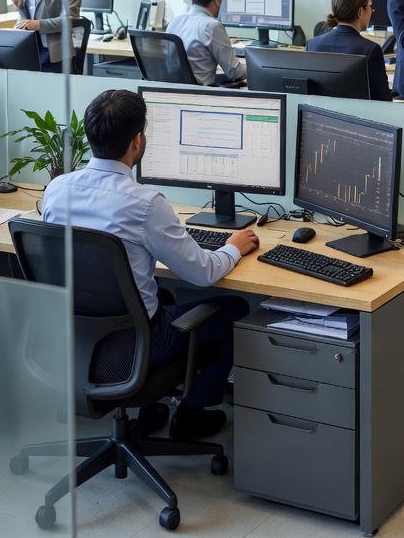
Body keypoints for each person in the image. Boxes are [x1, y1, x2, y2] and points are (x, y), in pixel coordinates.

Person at [42, 88, 259, 440]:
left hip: (73, 341)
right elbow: (202, 273)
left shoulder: (56, 190)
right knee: (233, 307)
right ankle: (191, 415)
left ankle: (151, 410)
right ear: (138, 141)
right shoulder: (145, 204)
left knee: (163, 297)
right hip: (131, 347)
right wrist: (233, 247)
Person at [306, 0, 392, 101]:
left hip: (321, 117)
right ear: (360, 12)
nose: (372, 11)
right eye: (370, 6)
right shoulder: (371, 50)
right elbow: (383, 101)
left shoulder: (312, 45)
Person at [167, 0, 246, 87]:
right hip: (200, 96)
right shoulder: (212, 26)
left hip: (172, 93)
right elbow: (234, 71)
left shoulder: (175, 22)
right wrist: (256, 66)